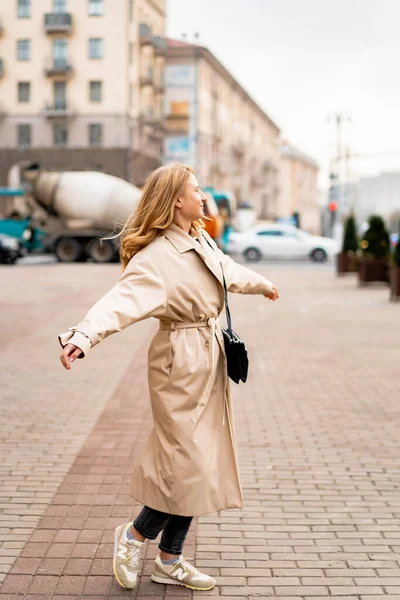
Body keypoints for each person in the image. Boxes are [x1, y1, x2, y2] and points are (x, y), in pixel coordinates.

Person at [59, 164, 279, 592]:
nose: (203, 196)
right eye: (196, 190)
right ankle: (134, 536)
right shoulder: (156, 257)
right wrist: (83, 336)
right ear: (176, 199)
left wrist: (263, 284)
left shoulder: (200, 238)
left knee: (198, 465)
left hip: (207, 356)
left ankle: (169, 559)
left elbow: (228, 271)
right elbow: (120, 301)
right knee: (185, 463)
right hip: (178, 361)